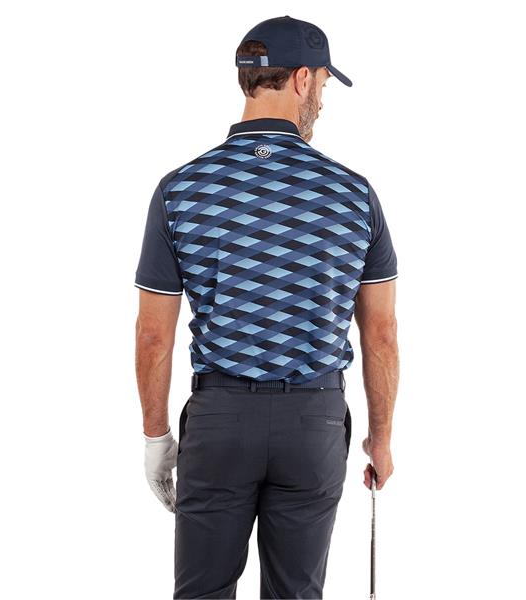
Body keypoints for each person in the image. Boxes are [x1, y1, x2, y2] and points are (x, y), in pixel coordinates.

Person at [134, 15, 399, 599]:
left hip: (219, 422)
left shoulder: (181, 189)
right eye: (323, 85)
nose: (322, 99)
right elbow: (380, 332)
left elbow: (154, 335)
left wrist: (156, 437)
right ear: (302, 79)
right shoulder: (353, 194)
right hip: (314, 423)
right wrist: (380, 439)